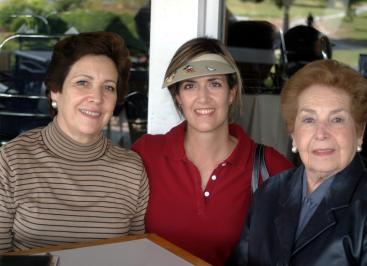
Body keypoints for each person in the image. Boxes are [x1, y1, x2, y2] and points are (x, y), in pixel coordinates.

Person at [131, 37, 294, 265]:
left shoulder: (271, 167)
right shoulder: (146, 154)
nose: (203, 97)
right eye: (190, 85)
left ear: (231, 92)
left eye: (214, 83)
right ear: (178, 96)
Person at [228, 59, 367, 265]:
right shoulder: (269, 191)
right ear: (293, 133)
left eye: (337, 119)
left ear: (359, 132)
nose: (321, 134)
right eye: (309, 120)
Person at [0, 32, 149, 254]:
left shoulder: (132, 170)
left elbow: (133, 255)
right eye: (82, 83)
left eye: (108, 87)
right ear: (55, 91)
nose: (97, 97)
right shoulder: (12, 162)